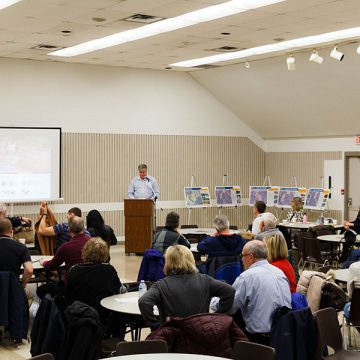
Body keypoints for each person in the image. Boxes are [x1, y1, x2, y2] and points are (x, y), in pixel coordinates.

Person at [138, 245, 235, 329]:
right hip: (200, 336)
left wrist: (156, 326)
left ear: (167, 262)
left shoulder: (161, 285)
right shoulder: (205, 280)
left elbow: (144, 302)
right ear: (191, 260)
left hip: (172, 338)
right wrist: (217, 317)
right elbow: (229, 291)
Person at [232, 240, 291, 345]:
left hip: (259, 340)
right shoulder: (279, 272)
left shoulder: (247, 277)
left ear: (250, 257)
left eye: (242, 256)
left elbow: (230, 306)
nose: (241, 259)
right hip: (283, 334)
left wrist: (213, 302)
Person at [66, 237, 123, 337]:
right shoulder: (108, 270)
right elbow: (119, 291)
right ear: (105, 254)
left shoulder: (73, 269)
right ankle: (117, 339)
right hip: (100, 317)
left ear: (85, 251)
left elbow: (68, 292)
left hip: (76, 316)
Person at [39, 216, 90, 282]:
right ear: (83, 228)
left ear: (69, 229)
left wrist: (43, 262)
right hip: (90, 283)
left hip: (72, 285)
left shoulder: (65, 247)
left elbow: (52, 266)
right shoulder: (92, 242)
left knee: (41, 289)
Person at [0, 218, 33, 288]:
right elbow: (29, 270)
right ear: (11, 230)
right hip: (13, 290)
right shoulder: (21, 247)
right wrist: (22, 286)